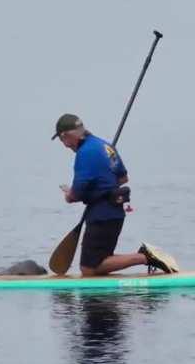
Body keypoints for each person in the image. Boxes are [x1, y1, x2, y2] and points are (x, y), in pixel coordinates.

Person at [52, 113, 179, 277]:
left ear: (66, 135)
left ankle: (144, 257)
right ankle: (144, 256)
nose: (65, 146)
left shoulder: (84, 154)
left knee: (88, 269)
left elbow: (77, 193)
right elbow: (123, 178)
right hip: (115, 212)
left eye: (62, 141)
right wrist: (103, 186)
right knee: (100, 261)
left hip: (101, 215)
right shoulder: (105, 146)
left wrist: (69, 195)